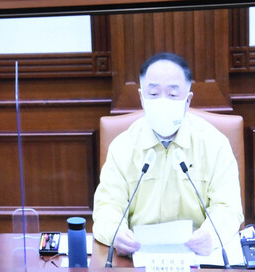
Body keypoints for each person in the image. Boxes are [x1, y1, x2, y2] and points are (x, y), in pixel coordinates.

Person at [92, 52, 244, 257]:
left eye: (173, 95)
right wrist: (116, 233)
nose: (162, 102)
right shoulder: (123, 146)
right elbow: (107, 206)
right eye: (153, 94)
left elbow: (228, 207)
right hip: (136, 258)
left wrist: (211, 235)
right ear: (142, 98)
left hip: (199, 257)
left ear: (188, 100)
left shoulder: (214, 144)